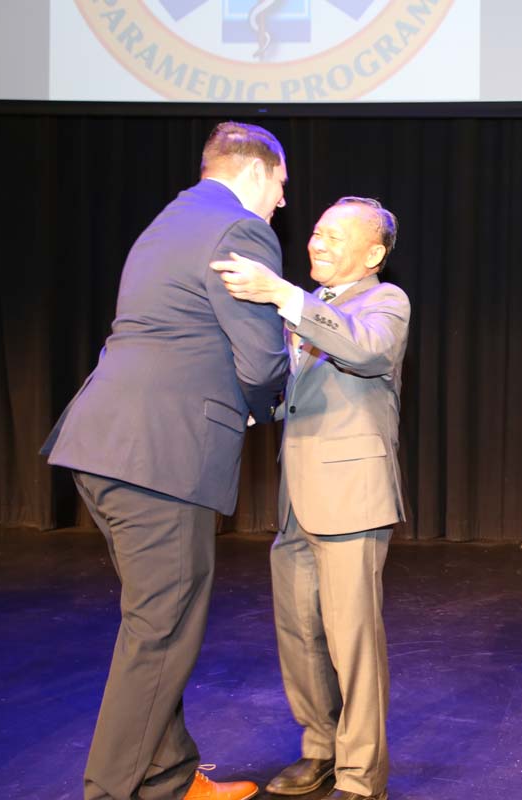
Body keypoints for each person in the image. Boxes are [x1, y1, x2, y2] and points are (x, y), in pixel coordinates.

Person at [41, 122, 290, 800]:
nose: (282, 203)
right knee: (161, 632)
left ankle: (171, 779)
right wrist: (272, 401)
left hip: (106, 444)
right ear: (256, 172)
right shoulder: (238, 230)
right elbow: (264, 359)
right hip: (160, 454)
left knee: (157, 623)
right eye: (282, 186)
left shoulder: (168, 220)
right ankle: (111, 792)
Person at [212, 196, 410, 800]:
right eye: (316, 232)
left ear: (373, 253)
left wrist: (282, 296)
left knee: (353, 644)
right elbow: (290, 395)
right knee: (299, 635)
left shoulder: (384, 302)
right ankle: (320, 750)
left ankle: (360, 776)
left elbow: (366, 351)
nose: (316, 243)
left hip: (352, 498)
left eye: (332, 235)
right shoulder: (309, 310)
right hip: (297, 500)